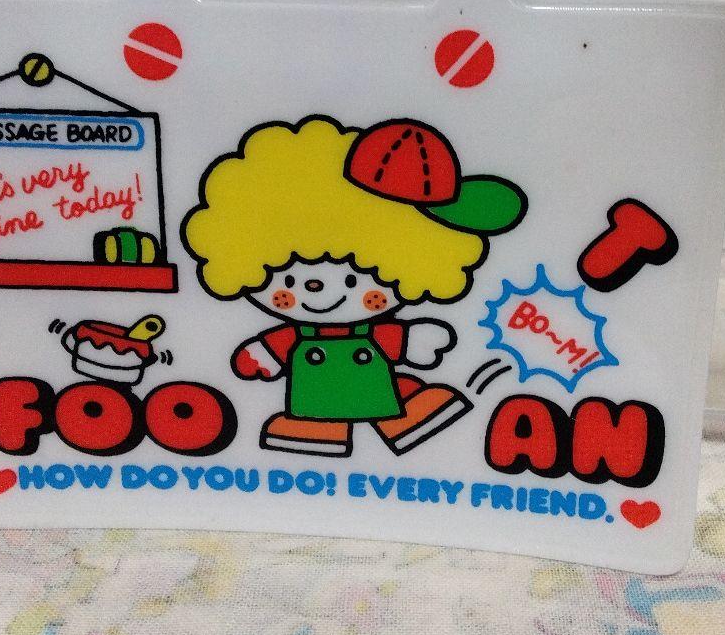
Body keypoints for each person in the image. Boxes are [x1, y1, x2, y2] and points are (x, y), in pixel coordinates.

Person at [182, 116, 525, 458]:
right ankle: (315, 430)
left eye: (353, 279)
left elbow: (389, 339)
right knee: (317, 413)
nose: (320, 292)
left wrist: (412, 340)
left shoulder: (366, 331)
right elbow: (277, 346)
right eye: (288, 280)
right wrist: (261, 355)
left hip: (370, 380)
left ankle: (402, 419)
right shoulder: (300, 336)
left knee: (393, 398)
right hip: (314, 392)